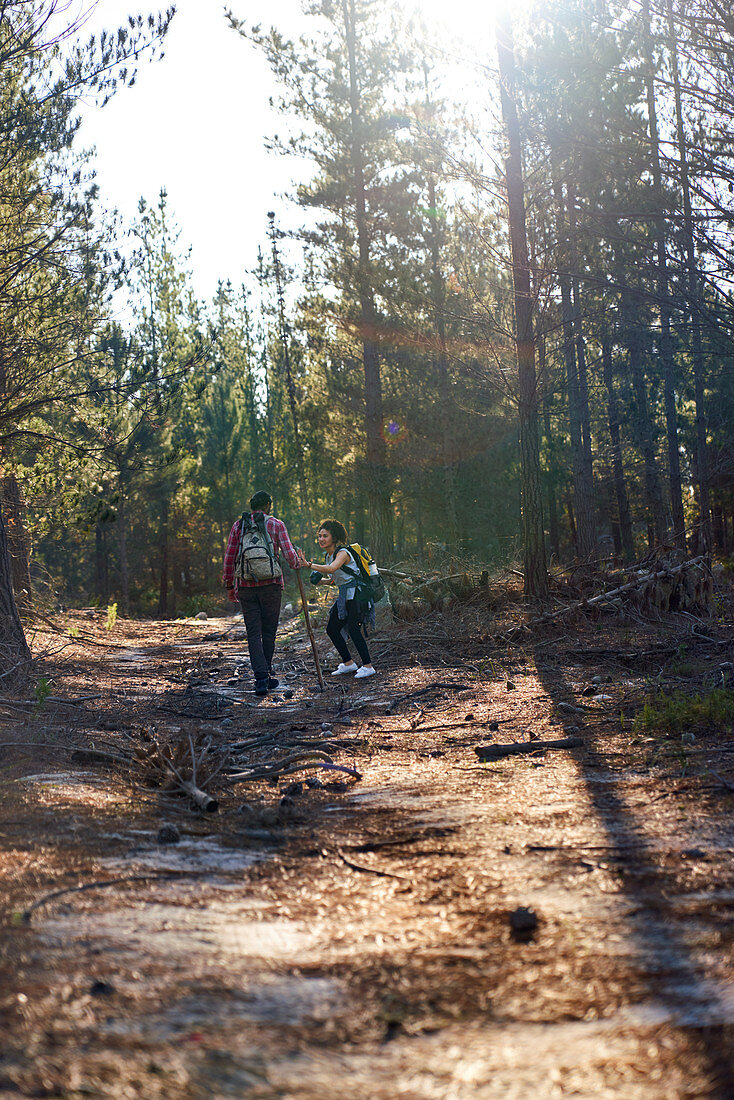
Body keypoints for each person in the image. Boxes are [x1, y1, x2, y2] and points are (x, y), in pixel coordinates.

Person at [222, 490, 301, 696]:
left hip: (246, 587)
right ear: (268, 505)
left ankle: (260, 679)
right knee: (269, 632)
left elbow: (230, 557)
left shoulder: (238, 526)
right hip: (271, 586)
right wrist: (297, 562)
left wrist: (230, 586)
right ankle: (265, 675)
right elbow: (290, 556)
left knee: (253, 633)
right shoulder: (276, 524)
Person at [298, 520, 376, 679]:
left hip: (358, 595)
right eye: (319, 536)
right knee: (332, 629)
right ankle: (348, 664)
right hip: (345, 596)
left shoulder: (343, 553)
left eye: (325, 536)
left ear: (335, 537)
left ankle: (368, 666)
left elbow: (332, 569)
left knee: (354, 629)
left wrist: (308, 564)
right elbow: (335, 579)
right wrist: (322, 582)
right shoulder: (328, 556)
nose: (321, 539)